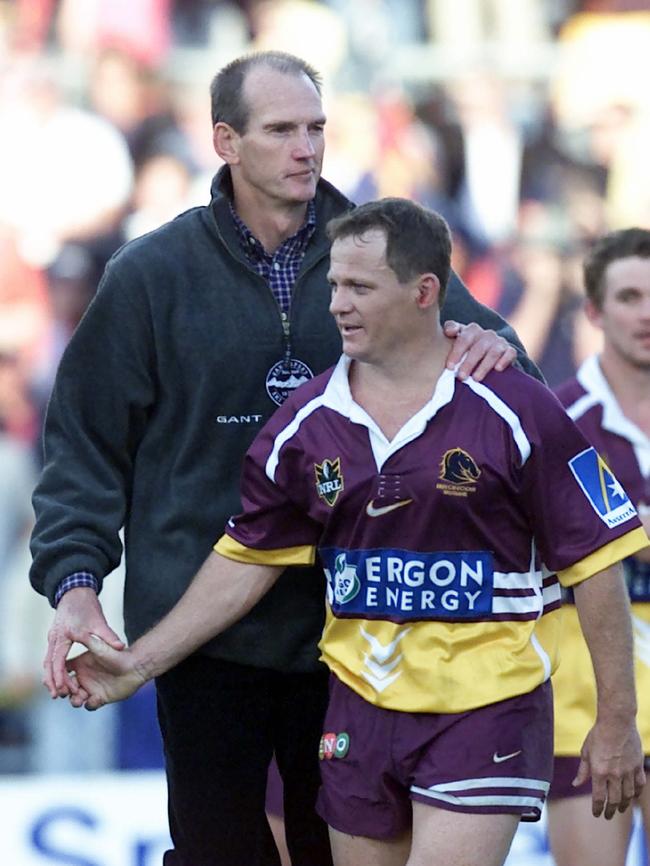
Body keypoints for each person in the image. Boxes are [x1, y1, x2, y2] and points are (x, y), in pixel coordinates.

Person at [31, 51, 539, 866]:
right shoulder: (149, 276)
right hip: (201, 634)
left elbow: (515, 385)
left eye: (316, 128)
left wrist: (490, 343)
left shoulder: (386, 249)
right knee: (218, 854)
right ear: (226, 140)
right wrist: (75, 581)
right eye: (281, 130)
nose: (307, 148)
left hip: (354, 635)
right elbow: (84, 450)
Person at [62, 198, 646, 866]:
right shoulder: (305, 422)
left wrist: (616, 719)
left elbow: (598, 558)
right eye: (334, 284)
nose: (337, 303)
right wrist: (139, 662)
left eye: (360, 287)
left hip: (486, 704)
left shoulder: (514, 405)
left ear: (425, 292)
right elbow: (246, 561)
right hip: (357, 710)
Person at [547, 227, 650, 866]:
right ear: (593, 312)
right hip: (587, 694)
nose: (648, 314)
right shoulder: (557, 419)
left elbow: (614, 539)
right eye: (630, 297)